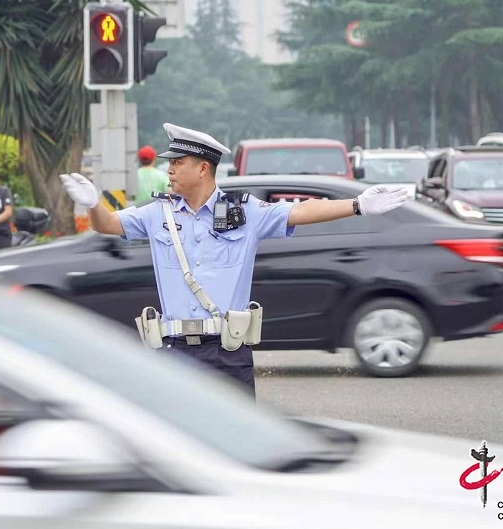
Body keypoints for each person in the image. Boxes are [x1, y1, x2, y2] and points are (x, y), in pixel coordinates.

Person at [61, 123, 407, 397]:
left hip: (228, 353)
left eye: (178, 163)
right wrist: (92, 204)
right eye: (169, 164)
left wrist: (357, 205)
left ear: (203, 169)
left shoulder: (245, 212)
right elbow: (107, 225)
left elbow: (299, 211)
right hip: (172, 352)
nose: (170, 171)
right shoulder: (158, 214)